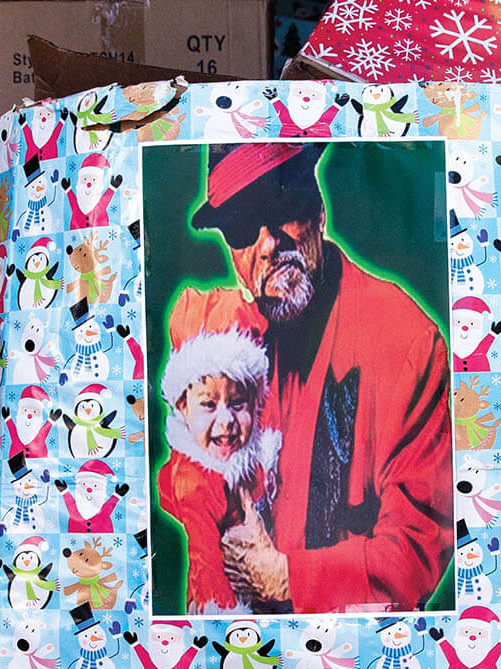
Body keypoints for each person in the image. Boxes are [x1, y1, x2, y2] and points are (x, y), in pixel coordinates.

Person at [188, 142, 451, 613]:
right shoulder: (227, 346)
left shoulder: (408, 343)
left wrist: (287, 578)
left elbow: (416, 550)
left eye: (281, 207)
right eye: (243, 227)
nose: (267, 245)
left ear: (319, 210)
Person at [154, 286, 279, 613]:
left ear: (256, 403)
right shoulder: (194, 483)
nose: (226, 422)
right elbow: (207, 564)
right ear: (183, 406)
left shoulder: (246, 459)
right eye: (209, 405)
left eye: (238, 403)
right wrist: (227, 621)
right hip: (224, 606)